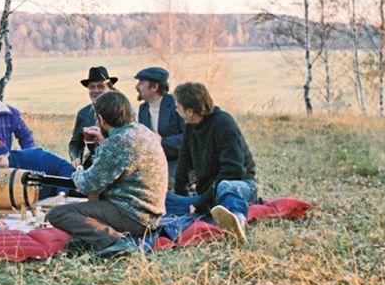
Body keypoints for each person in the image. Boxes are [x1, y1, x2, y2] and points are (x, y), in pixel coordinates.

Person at [47, 91, 168, 256]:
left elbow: (88, 185)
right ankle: (96, 239)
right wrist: (104, 142)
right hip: (150, 212)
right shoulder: (142, 131)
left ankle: (115, 242)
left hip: (134, 216)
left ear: (101, 119)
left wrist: (78, 170)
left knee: (58, 213)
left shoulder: (119, 141)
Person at [169, 82, 257, 243]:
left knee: (226, 187)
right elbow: (183, 164)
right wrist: (182, 196)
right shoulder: (191, 126)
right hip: (208, 194)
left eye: (178, 107)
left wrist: (201, 202)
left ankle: (237, 222)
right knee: (166, 201)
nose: (176, 110)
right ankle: (215, 213)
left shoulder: (224, 123)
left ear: (189, 111)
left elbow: (233, 171)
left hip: (238, 186)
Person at [134, 67, 185, 181]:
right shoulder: (143, 109)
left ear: (154, 87)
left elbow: (189, 137)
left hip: (177, 160)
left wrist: (161, 141)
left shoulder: (176, 105)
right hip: (153, 161)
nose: (136, 87)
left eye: (141, 83)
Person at [0, 138, 74, 199]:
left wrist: (61, 193)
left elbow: (66, 166)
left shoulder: (32, 156)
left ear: (6, 154)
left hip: (53, 198)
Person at [69, 66, 117, 169]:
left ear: (110, 89)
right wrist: (76, 158)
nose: (96, 90)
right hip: (92, 165)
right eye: (92, 87)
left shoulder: (122, 111)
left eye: (100, 86)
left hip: (116, 163)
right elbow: (75, 143)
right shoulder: (83, 113)